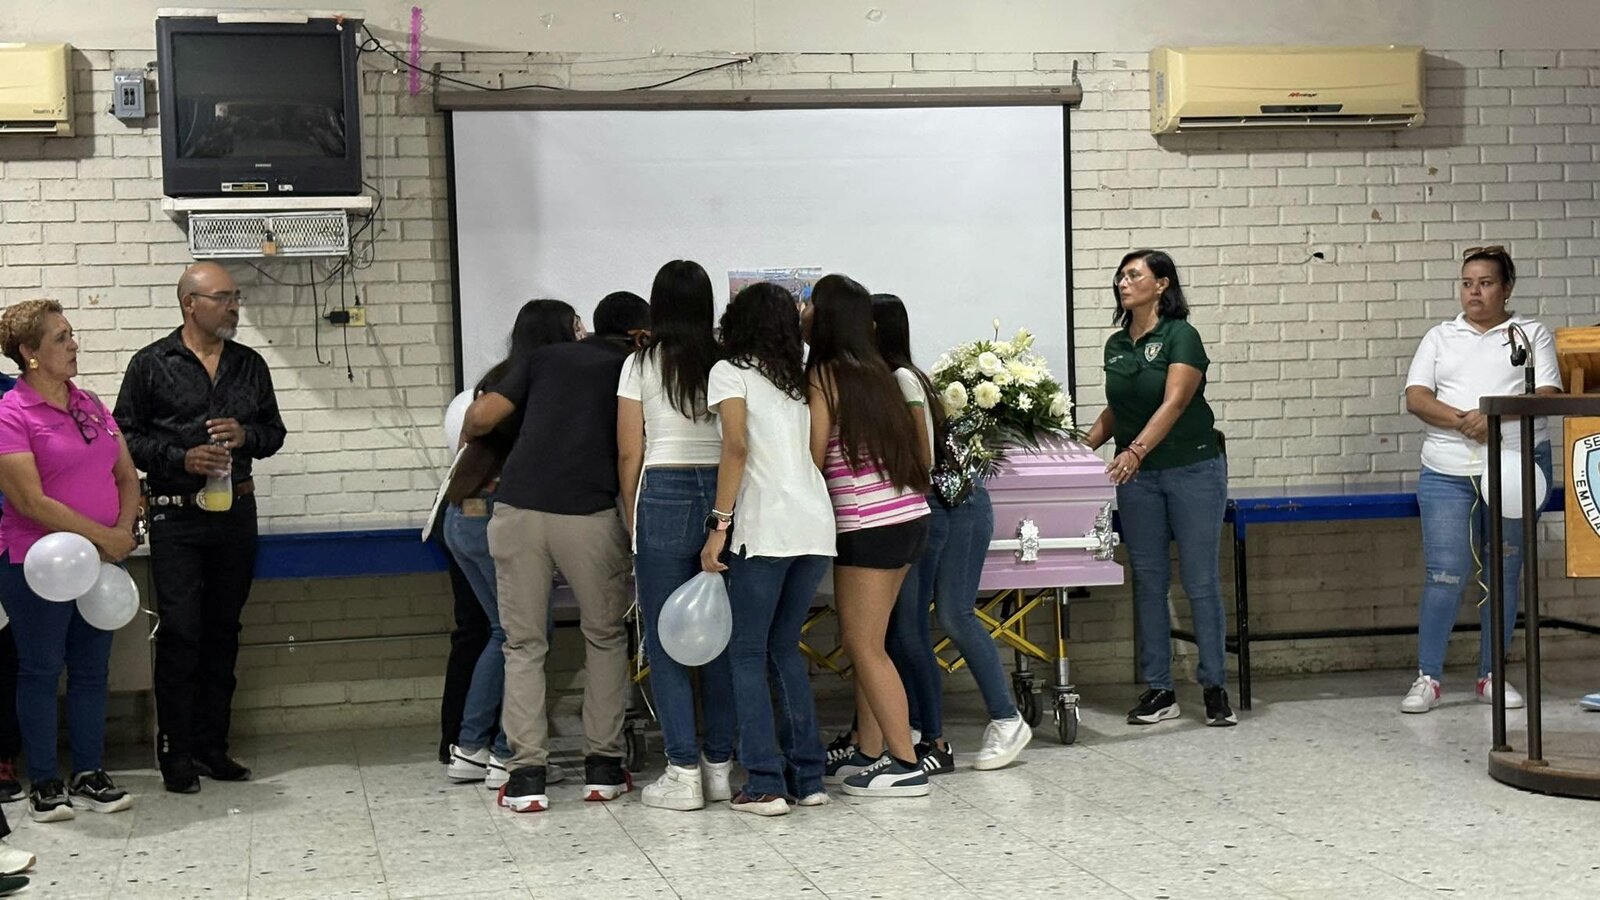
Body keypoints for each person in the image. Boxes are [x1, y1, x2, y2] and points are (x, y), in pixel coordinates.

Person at [466, 291, 650, 813]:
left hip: (519, 510)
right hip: (589, 514)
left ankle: (527, 776)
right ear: (640, 332)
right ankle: (603, 769)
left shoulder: (544, 359)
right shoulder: (636, 366)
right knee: (604, 637)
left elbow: (480, 417)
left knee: (523, 644)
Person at [114, 262, 287, 793]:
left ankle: (214, 747)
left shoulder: (249, 364)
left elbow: (274, 432)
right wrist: (180, 457)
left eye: (236, 297)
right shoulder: (150, 364)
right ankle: (176, 752)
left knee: (223, 630)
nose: (234, 306)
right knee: (182, 631)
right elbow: (123, 438)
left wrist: (247, 435)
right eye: (222, 297)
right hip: (177, 515)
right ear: (190, 303)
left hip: (235, 512)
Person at [871, 294, 1032, 774]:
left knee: (954, 614)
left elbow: (923, 458)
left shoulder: (903, 379)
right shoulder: (892, 379)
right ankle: (924, 734)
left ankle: (1006, 719)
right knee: (907, 628)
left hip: (954, 505)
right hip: (931, 506)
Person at [1400, 245, 1559, 714]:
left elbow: (1547, 392)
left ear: (1506, 288)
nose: (1474, 292)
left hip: (1514, 465)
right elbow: (1416, 397)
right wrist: (1466, 421)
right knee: (1445, 573)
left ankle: (1492, 675)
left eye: (1485, 283)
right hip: (1447, 470)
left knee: (1504, 571)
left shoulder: (1529, 334)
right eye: (1467, 283)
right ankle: (1428, 677)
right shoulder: (1440, 336)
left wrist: (1491, 417)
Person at [0, 299, 140, 821]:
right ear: (29, 352)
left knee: (91, 669)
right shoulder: (10, 413)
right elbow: (30, 501)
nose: (74, 344)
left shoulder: (91, 404)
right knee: (40, 669)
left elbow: (125, 474)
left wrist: (122, 532)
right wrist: (104, 536)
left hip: (101, 558)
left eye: (71, 333)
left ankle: (89, 772)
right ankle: (44, 781)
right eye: (61, 338)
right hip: (37, 562)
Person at [699, 282, 835, 815]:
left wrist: (718, 525)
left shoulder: (728, 371)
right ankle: (808, 778)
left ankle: (763, 783)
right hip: (814, 525)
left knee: (747, 652)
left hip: (765, 528)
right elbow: (814, 454)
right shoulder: (800, 380)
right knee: (783, 648)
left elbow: (735, 446)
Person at [1085, 249, 1235, 727]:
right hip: (1139, 479)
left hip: (1192, 469)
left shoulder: (1180, 335)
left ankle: (1214, 686)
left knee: (1199, 579)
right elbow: (1120, 409)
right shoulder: (1116, 344)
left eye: (1134, 275)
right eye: (1121, 276)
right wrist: (1079, 449)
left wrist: (1135, 451)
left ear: (1162, 284)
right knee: (1149, 580)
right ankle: (1160, 689)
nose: (1123, 283)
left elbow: (1174, 402)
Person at [805, 274, 934, 799]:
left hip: (867, 522)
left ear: (826, 317)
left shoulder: (824, 373)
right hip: (908, 516)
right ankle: (869, 751)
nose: (803, 313)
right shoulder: (879, 371)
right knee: (871, 642)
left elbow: (814, 454)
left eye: (810, 304)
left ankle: (904, 762)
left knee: (863, 644)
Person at [444, 300, 579, 789]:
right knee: (523, 636)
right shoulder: (538, 385)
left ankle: (471, 748)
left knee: (505, 634)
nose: (582, 336)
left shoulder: (498, 377)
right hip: (495, 516)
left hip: (462, 516)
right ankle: (507, 752)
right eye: (575, 327)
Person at [618, 262, 735, 811]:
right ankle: (719, 768)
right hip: (723, 492)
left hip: (661, 488)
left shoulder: (640, 362)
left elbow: (630, 450)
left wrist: (630, 516)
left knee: (667, 637)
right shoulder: (724, 361)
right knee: (720, 633)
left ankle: (682, 771)